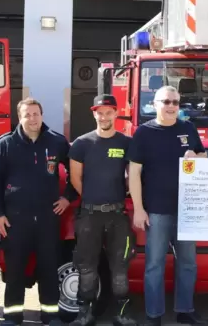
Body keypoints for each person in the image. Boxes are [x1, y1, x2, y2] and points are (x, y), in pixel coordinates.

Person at [0, 98, 76, 326]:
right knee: (16, 271)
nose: (32, 118)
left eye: (36, 113)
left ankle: (50, 315)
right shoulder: (5, 144)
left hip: (48, 219)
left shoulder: (56, 141)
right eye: (27, 114)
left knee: (48, 269)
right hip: (15, 220)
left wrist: (67, 197)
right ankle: (13, 316)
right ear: (20, 116)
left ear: (42, 115)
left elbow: (75, 170)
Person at [128, 85, 208, 326]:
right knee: (154, 265)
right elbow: (134, 173)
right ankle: (154, 315)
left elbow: (204, 157)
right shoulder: (143, 133)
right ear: (155, 104)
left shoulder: (188, 128)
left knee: (188, 264)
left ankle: (185, 310)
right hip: (157, 211)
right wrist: (139, 208)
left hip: (188, 210)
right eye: (166, 102)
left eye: (175, 102)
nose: (172, 106)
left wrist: (196, 158)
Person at [68, 95, 137, 326]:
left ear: (116, 113)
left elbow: (133, 176)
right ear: (94, 113)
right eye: (100, 112)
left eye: (109, 112)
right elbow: (76, 179)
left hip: (117, 215)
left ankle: (123, 314)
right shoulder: (81, 143)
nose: (104, 116)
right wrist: (92, 200)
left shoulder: (126, 143)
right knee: (87, 268)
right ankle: (84, 315)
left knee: (120, 269)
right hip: (89, 215)